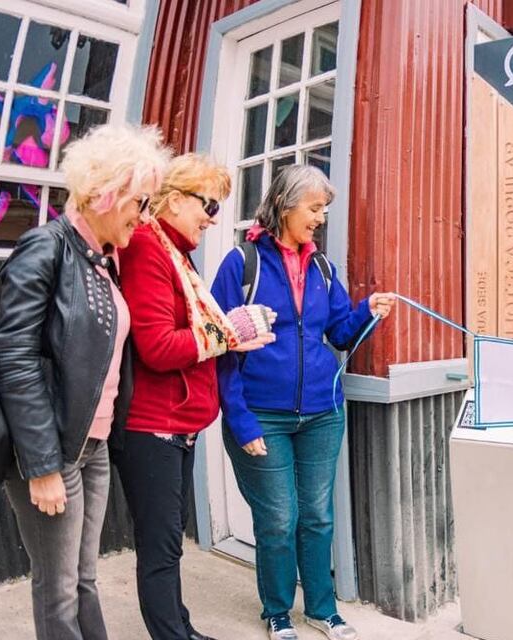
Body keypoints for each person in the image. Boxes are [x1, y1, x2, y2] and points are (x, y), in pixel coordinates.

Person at [0, 123, 170, 640]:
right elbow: (15, 357)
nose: (143, 214)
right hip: (55, 449)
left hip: (93, 447)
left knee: (85, 579)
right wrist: (42, 465)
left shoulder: (102, 261)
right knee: (60, 588)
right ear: (107, 193)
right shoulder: (45, 248)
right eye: (140, 200)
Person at [211, 165, 395, 640]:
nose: (320, 218)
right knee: (277, 519)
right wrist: (240, 421)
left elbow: (336, 333)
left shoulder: (322, 267)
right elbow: (221, 347)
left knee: (317, 516)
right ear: (284, 205)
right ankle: (276, 611)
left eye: (324, 210)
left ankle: (322, 610)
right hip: (261, 415)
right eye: (314, 208)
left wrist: (366, 311)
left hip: (322, 413)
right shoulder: (241, 263)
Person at [114, 154, 274, 640]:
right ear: (176, 198)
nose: (213, 217)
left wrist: (230, 333)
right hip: (152, 426)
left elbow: (194, 334)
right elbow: (158, 347)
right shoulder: (147, 247)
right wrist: (229, 333)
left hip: (175, 427)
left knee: (169, 546)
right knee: (160, 550)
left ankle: (181, 628)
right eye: (209, 205)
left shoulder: (174, 252)